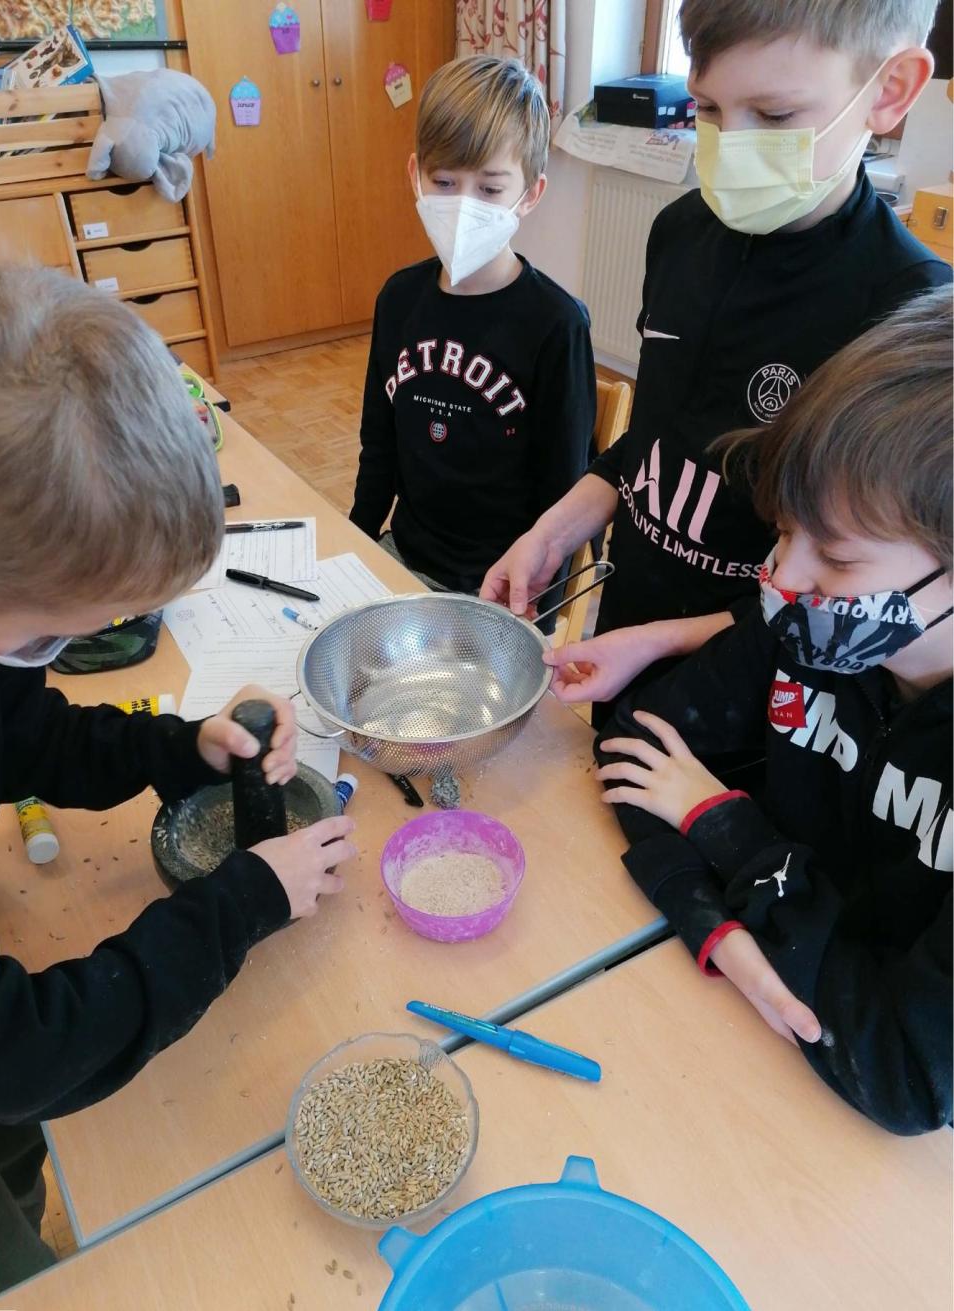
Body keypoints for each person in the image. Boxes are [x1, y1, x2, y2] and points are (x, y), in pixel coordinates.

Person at [0, 267, 356, 1306]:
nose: (67, 653)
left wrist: (179, 749)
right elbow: (9, 1051)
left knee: (6, 1155)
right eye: (63, 630)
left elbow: (16, 732)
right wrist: (243, 904)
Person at [481, 0, 951, 717]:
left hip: (761, 709)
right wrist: (557, 528)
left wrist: (662, 642)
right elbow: (658, 437)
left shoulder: (908, 311)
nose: (730, 144)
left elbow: (847, 596)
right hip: (629, 637)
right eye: (706, 109)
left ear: (888, 92)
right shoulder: (678, 234)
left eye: (773, 115)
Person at [595, 288, 952, 1135]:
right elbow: (633, 747)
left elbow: (907, 1076)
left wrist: (727, 835)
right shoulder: (813, 626)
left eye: (833, 553)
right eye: (784, 532)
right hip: (741, 1047)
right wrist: (709, 921)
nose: (781, 579)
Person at [350, 55, 595, 607]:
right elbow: (379, 446)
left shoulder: (556, 324)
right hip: (403, 559)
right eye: (443, 181)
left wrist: (537, 606)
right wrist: (356, 546)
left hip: (500, 589)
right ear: (415, 175)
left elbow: (565, 492)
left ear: (529, 194)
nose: (462, 205)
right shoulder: (398, 299)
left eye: (489, 189)